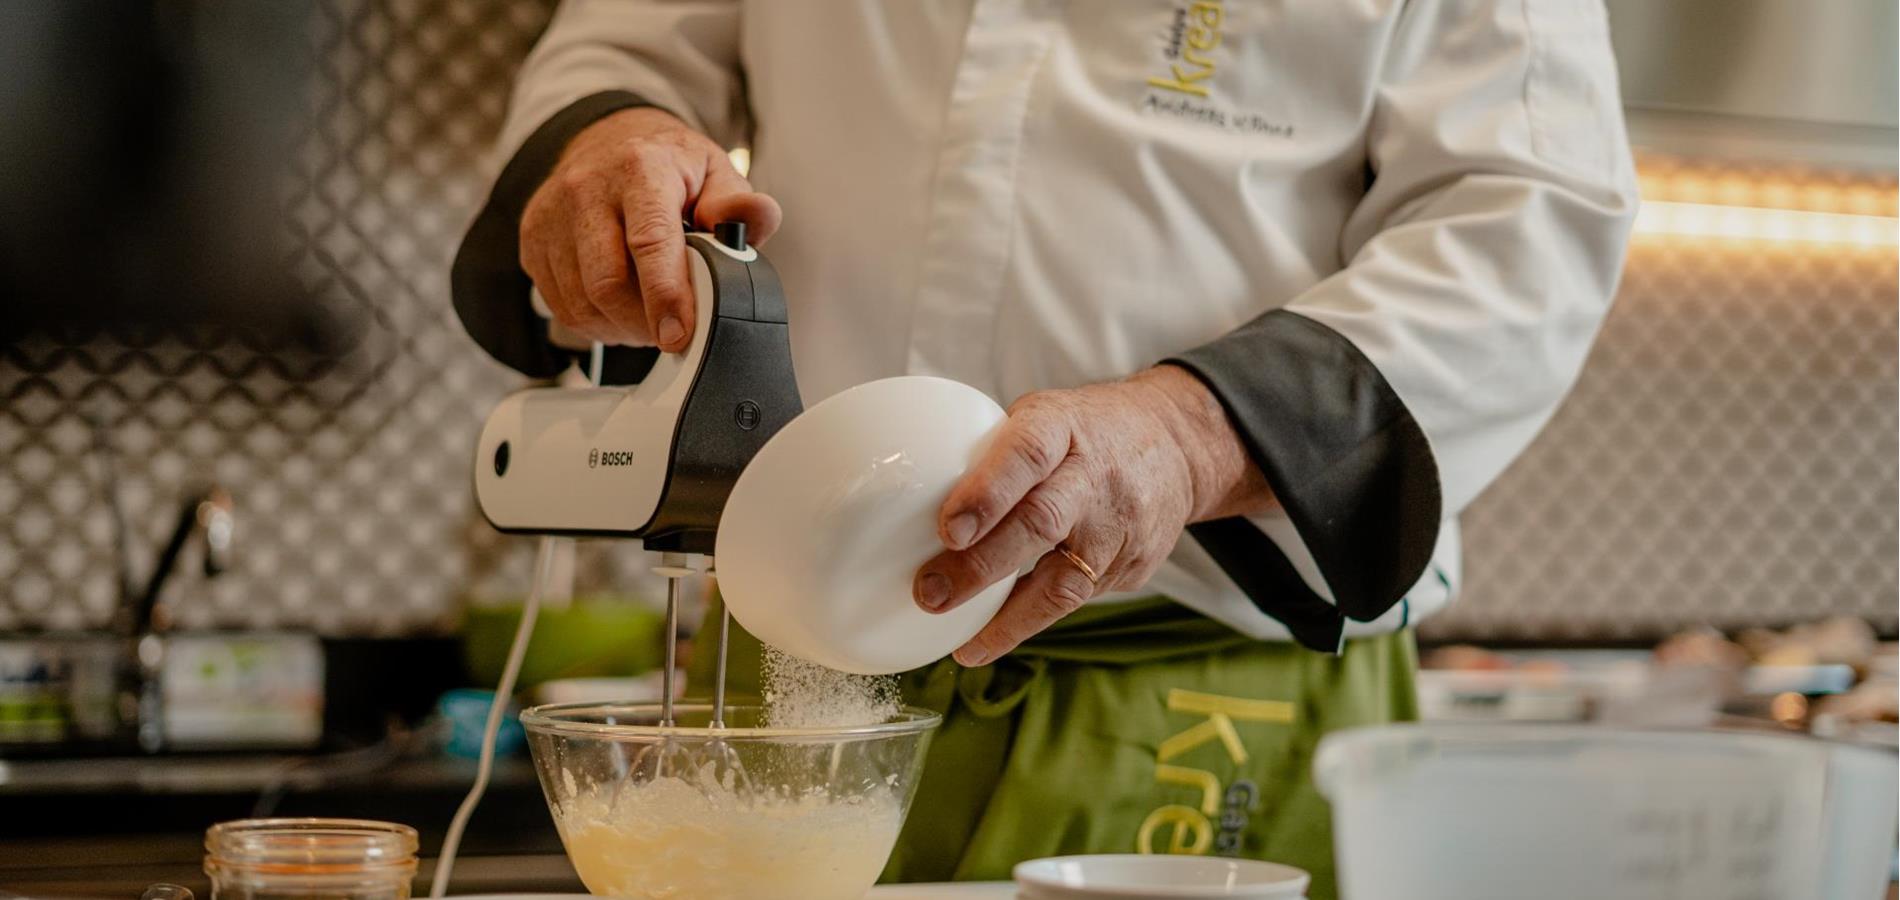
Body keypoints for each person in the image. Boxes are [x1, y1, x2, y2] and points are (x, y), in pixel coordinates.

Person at [452, 3, 1637, 896]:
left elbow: (1526, 218)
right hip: (798, 653)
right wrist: (616, 133)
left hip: (1196, 677)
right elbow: (629, 42)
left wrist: (1187, 433)